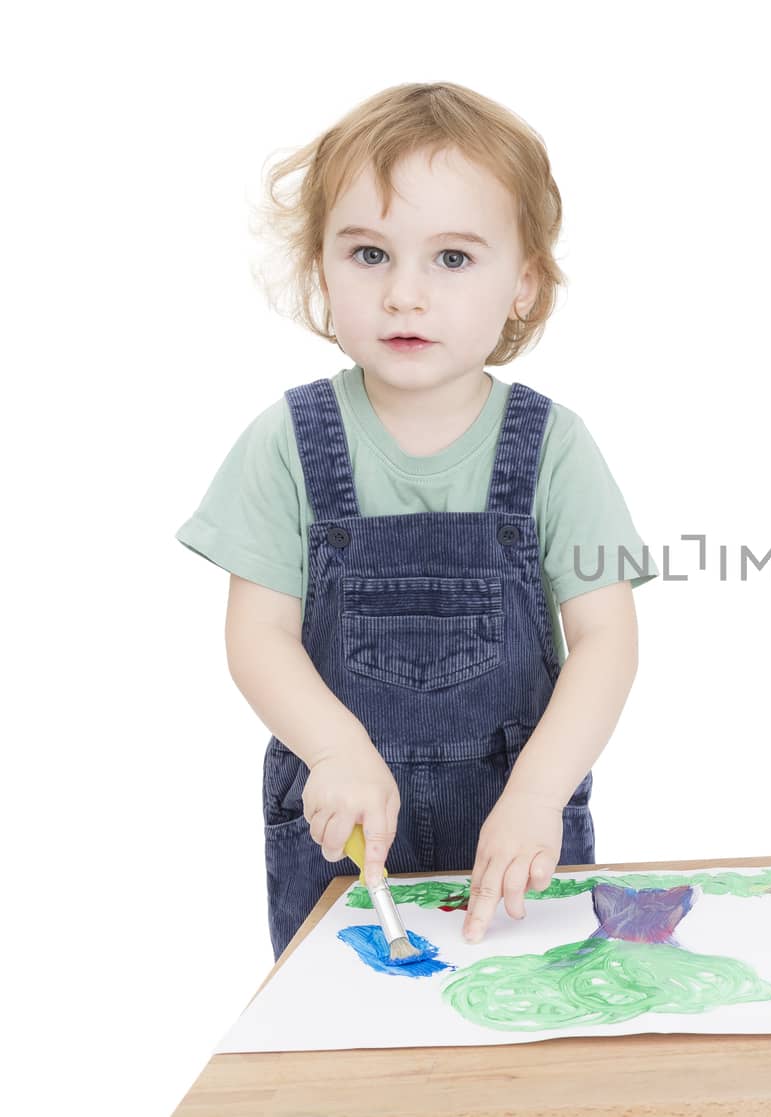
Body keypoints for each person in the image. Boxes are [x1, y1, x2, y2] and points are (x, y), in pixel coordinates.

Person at [175, 82, 657, 960]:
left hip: (514, 836)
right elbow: (258, 637)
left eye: (453, 259)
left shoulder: (555, 447)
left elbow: (607, 640)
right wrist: (335, 747)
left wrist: (539, 792)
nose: (404, 294)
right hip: (346, 837)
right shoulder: (286, 441)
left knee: (530, 1047)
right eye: (368, 254)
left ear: (525, 284)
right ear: (320, 267)